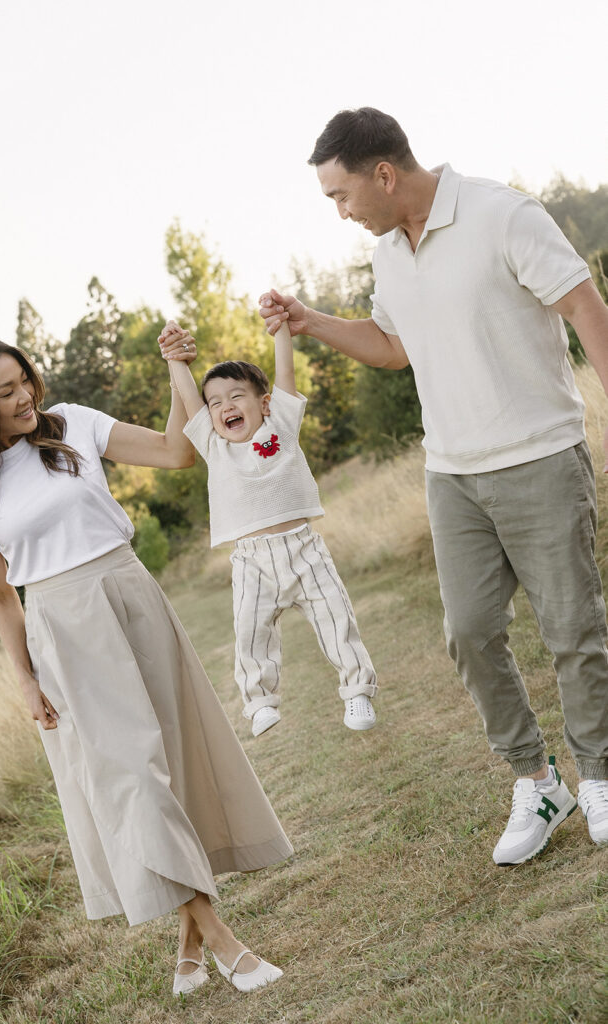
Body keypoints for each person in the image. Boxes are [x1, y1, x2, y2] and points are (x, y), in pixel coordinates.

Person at [259, 106, 608, 865]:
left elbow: (582, 303)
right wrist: (309, 321)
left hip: (539, 456)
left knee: (571, 629)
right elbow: (392, 348)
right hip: (453, 474)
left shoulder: (500, 213)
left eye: (341, 196)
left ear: (383, 174)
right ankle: (536, 779)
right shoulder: (388, 252)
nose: (341, 212)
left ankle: (601, 774)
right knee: (469, 633)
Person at [0, 334, 293, 997]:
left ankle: (188, 943)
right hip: (62, 625)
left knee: (174, 760)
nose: (23, 397)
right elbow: (2, 600)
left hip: (130, 592)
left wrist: (175, 369)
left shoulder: (72, 424)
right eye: (4, 391)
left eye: (23, 381)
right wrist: (24, 679)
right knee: (131, 777)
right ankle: (222, 940)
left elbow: (175, 452)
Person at [158, 319, 377, 738]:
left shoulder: (283, 427)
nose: (225, 407)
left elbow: (285, 376)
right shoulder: (213, 446)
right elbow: (188, 397)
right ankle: (259, 702)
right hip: (251, 561)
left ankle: (357, 689)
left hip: (303, 549)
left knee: (336, 617)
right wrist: (173, 358)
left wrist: (280, 331)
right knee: (250, 632)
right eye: (215, 402)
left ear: (265, 403)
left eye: (236, 396)